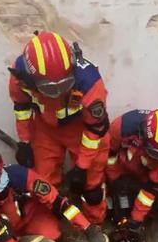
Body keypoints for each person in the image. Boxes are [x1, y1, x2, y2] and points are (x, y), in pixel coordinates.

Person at [7, 31, 110, 223]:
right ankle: (50, 226)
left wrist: (82, 165)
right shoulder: (19, 75)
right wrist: (25, 142)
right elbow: (21, 108)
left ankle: (96, 224)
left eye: (63, 85)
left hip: (82, 131)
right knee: (43, 181)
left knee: (92, 186)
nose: (57, 92)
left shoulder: (89, 80)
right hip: (45, 130)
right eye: (50, 88)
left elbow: (96, 129)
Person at [0, 163, 110, 242]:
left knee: (50, 234)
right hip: (2, 228)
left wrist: (88, 228)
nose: (1, 194)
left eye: (3, 189)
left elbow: (59, 203)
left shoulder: (20, 176)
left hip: (32, 215)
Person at [105, 108, 158, 236]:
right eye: (155, 153)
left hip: (150, 178)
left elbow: (152, 189)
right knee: (115, 189)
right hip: (125, 167)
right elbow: (109, 154)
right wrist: (113, 179)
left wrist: (136, 219)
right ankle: (121, 202)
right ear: (143, 135)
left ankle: (132, 208)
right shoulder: (123, 127)